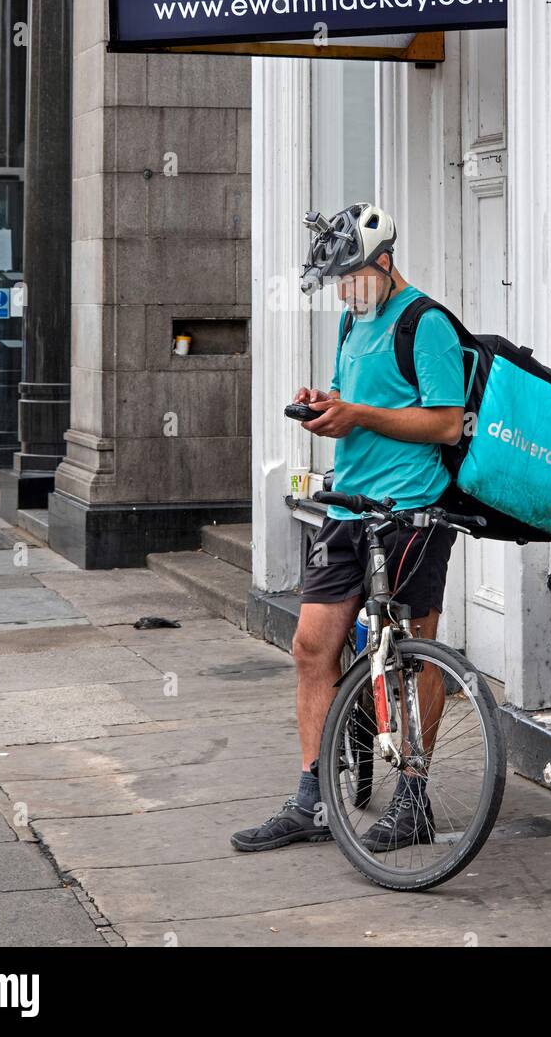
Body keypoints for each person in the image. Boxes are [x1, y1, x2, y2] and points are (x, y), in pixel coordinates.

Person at [231, 203, 466, 853]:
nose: (344, 290)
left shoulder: (427, 324)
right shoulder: (351, 321)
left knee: (412, 652)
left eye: (352, 276)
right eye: (337, 279)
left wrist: (359, 414)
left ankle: (413, 798)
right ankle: (312, 797)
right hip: (348, 509)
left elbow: (446, 424)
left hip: (412, 510)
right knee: (312, 646)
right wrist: (325, 404)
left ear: (384, 261)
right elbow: (351, 395)